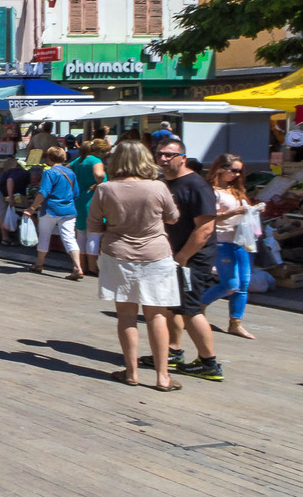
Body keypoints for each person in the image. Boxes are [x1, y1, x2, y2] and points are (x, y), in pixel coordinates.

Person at [88, 140, 181, 391]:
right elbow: (173, 217)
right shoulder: (158, 187)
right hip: (156, 255)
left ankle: (131, 372)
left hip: (118, 254)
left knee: (127, 315)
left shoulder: (105, 189)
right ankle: (163, 377)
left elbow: (93, 224)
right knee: (157, 316)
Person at [146, 139, 226, 382]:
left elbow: (205, 229)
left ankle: (209, 362)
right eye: (159, 154)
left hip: (190, 258)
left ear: (183, 156)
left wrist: (183, 257)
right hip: (169, 257)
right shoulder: (164, 183)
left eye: (170, 155)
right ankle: (173, 351)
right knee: (171, 306)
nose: (163, 159)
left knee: (190, 309)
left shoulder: (196, 186)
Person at [201, 153, 258, 340]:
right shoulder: (212, 191)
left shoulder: (236, 190)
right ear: (220, 169)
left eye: (239, 171)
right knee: (230, 285)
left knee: (243, 284)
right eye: (233, 170)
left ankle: (235, 323)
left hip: (240, 241)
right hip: (222, 240)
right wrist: (232, 213)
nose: (236, 175)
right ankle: (196, 309)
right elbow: (209, 217)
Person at [23, 145, 83, 279]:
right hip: (69, 210)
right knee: (69, 238)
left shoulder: (49, 173)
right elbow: (76, 193)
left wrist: (32, 208)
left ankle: (39, 264)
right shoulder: (71, 173)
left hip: (50, 209)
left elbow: (43, 192)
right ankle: (77, 267)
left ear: (49, 158)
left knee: (44, 236)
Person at [72, 139, 109, 276]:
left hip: (79, 198)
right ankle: (93, 267)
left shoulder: (78, 160)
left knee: (81, 233)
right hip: (92, 198)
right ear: (100, 151)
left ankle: (82, 265)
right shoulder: (95, 160)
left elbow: (68, 170)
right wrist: (100, 182)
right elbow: (99, 175)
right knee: (93, 233)